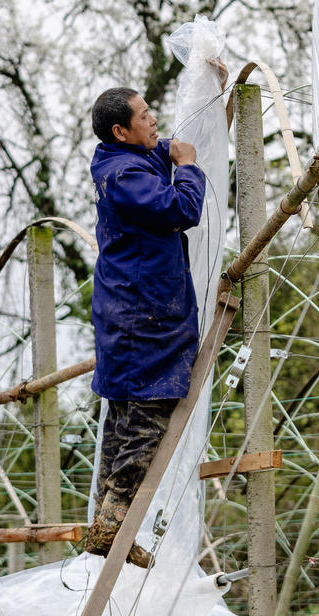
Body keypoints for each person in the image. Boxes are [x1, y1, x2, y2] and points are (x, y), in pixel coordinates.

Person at [80, 86, 206, 568]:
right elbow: (181, 209)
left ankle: (105, 522)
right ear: (120, 130)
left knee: (122, 416)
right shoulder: (125, 175)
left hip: (129, 309)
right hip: (143, 315)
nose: (153, 121)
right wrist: (189, 168)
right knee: (147, 415)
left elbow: (164, 148)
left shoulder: (124, 158)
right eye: (144, 115)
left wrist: (211, 93)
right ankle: (115, 520)